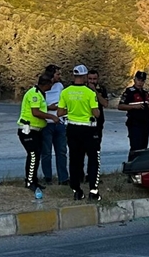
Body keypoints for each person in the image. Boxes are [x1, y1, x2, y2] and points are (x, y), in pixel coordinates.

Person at [17, 74, 62, 199]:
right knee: (33, 155)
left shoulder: (40, 93)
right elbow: (35, 112)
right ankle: (30, 181)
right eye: (50, 85)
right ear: (46, 84)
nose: (51, 87)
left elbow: (39, 108)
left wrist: (49, 108)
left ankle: (34, 180)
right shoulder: (34, 93)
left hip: (36, 130)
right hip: (28, 130)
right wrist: (52, 116)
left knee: (36, 156)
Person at [61, 64, 101, 200]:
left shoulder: (65, 92)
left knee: (75, 160)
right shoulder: (90, 93)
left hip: (72, 128)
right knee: (93, 159)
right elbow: (96, 113)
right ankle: (93, 191)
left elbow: (60, 111)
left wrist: (72, 110)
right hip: (88, 129)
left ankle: (76, 190)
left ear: (74, 75)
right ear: (84, 76)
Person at [40, 64, 70, 187]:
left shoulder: (59, 86)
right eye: (57, 74)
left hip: (60, 122)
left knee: (61, 151)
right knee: (46, 153)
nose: (59, 76)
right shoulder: (42, 86)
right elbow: (37, 105)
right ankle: (48, 177)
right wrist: (49, 107)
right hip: (46, 123)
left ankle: (63, 178)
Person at [117, 71, 149, 161]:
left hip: (145, 123)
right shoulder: (129, 92)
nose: (140, 82)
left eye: (142, 80)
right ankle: (131, 169)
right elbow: (120, 106)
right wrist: (133, 107)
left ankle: (140, 169)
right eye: (138, 80)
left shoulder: (145, 93)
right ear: (135, 80)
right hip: (134, 123)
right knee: (135, 147)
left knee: (143, 147)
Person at [86, 68, 109, 185]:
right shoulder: (82, 88)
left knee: (95, 151)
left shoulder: (101, 89)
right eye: (90, 79)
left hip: (97, 124)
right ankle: (81, 175)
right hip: (84, 124)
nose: (92, 81)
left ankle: (94, 175)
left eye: (94, 79)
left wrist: (95, 91)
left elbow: (105, 103)